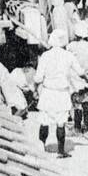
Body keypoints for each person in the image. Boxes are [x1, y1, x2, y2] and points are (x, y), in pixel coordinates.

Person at [35, 29, 81, 157]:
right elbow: (80, 72)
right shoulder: (69, 56)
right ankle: (61, 151)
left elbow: (38, 78)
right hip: (62, 93)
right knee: (61, 123)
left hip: (48, 92)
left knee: (44, 121)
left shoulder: (45, 56)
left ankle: (42, 147)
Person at [68, 20, 88, 134]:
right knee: (86, 101)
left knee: (77, 103)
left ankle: (77, 128)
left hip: (76, 77)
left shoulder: (71, 46)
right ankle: (86, 127)